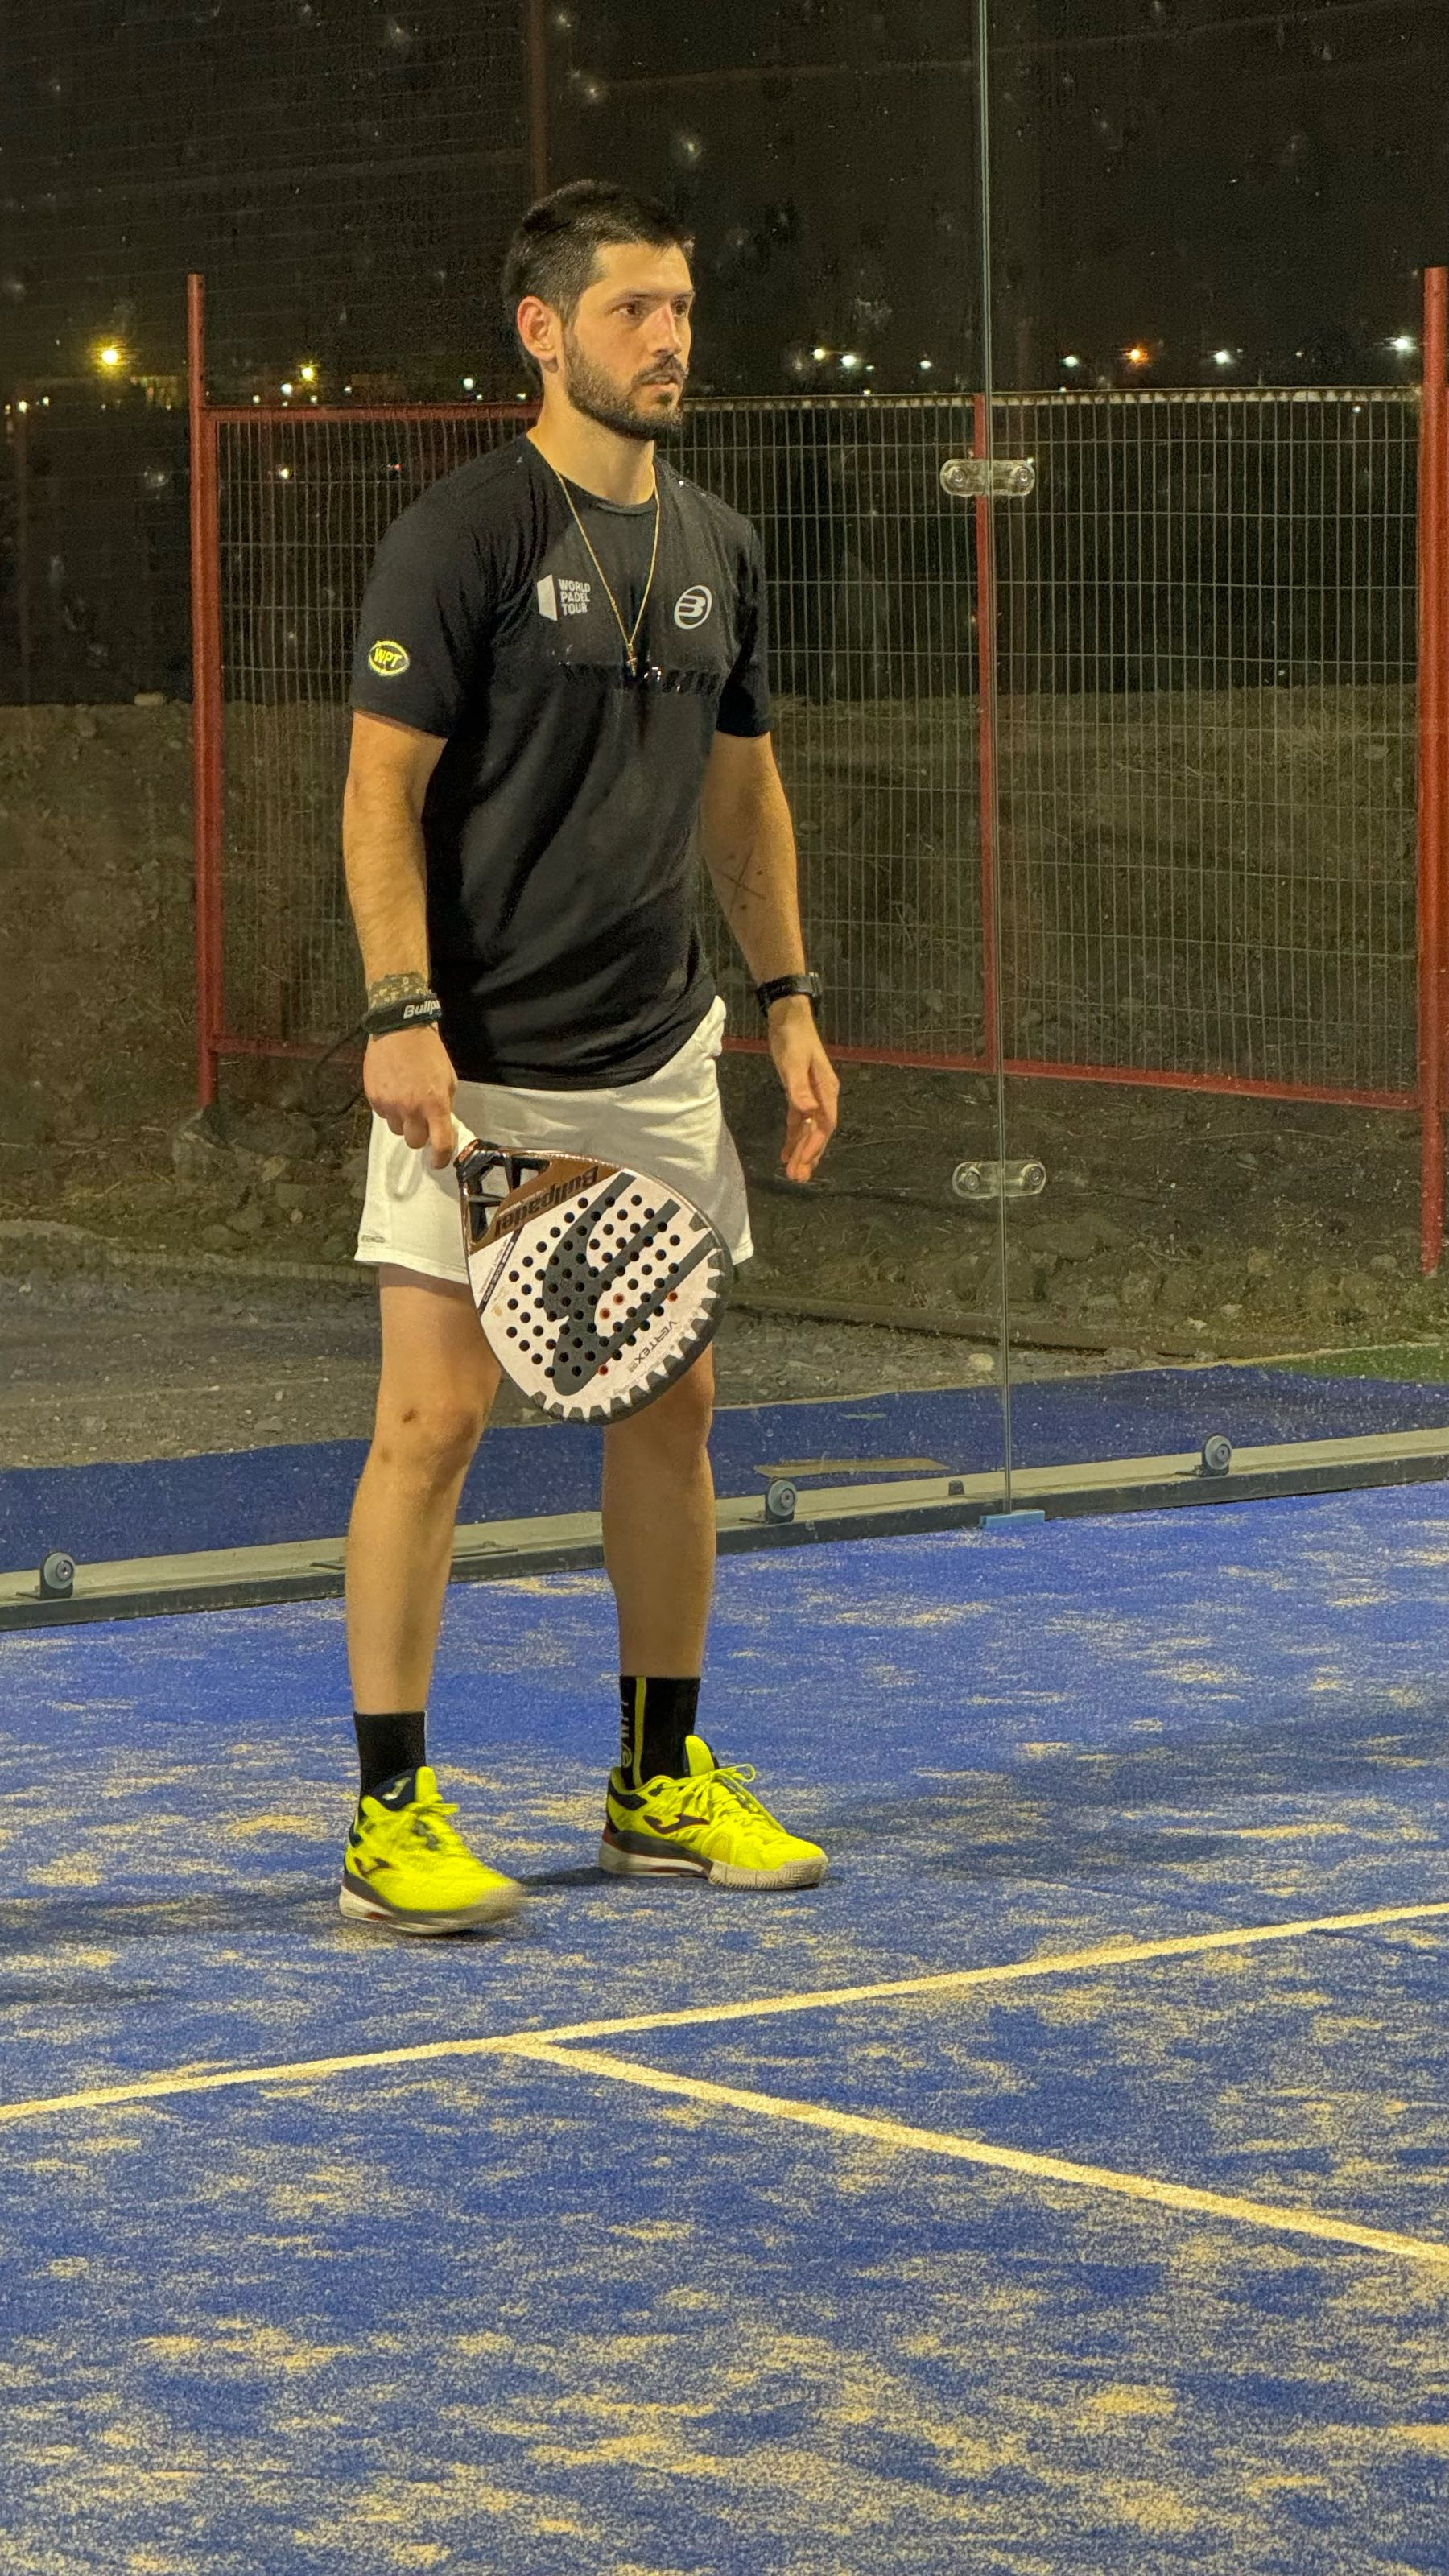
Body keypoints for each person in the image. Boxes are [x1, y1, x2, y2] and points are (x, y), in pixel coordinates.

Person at [338, 179, 840, 1935]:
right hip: (474, 1060)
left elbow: (743, 794)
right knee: (433, 1419)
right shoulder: (461, 534)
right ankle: (388, 1814)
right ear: (543, 332)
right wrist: (400, 1010)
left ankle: (657, 1784)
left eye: (682, 306)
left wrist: (786, 998)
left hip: (655, 1054)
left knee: (676, 1407)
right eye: (635, 308)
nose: (672, 337)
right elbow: (379, 792)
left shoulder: (719, 545)